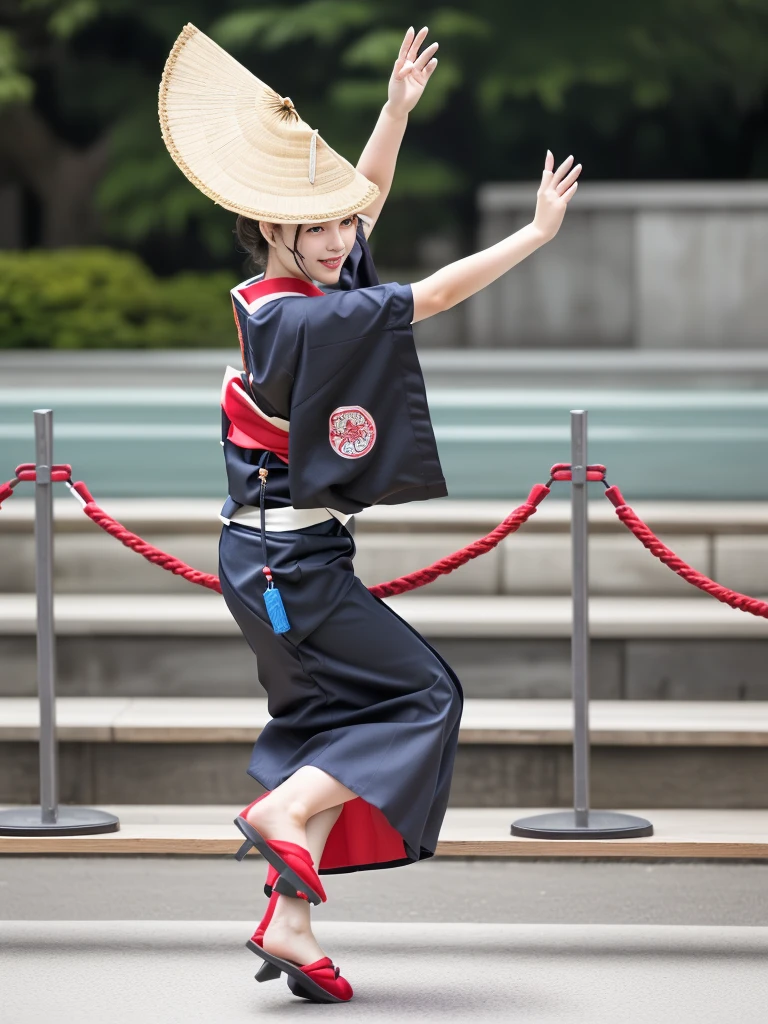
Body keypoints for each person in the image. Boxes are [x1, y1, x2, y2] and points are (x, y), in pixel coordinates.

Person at [159, 22, 581, 1004]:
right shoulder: (309, 314)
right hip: (288, 572)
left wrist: (394, 111)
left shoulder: (272, 291)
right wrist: (535, 235)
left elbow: (362, 196)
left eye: (346, 226)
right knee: (422, 697)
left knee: (330, 722)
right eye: (328, 227)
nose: (347, 237)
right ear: (275, 225)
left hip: (267, 560)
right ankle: (286, 813)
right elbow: (426, 296)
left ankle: (291, 923)